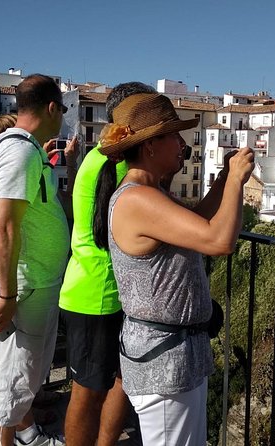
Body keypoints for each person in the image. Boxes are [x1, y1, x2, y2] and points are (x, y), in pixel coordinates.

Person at [93, 93, 254, 445]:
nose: (182, 144)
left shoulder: (150, 193)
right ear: (151, 145)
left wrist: (223, 179)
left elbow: (196, 223)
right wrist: (238, 182)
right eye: (175, 135)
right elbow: (220, 241)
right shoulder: (137, 198)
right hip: (163, 363)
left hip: (174, 356)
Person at [59, 81, 156, 446]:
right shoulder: (116, 165)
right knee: (87, 393)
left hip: (103, 293)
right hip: (96, 297)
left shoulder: (99, 157)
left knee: (120, 380)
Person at [0, 74, 70, 446]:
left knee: (17, 377)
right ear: (51, 108)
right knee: (13, 383)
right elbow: (4, 228)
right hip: (25, 285)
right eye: (62, 109)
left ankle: (23, 438)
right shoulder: (19, 153)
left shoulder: (24, 151)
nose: (62, 116)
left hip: (28, 283)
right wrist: (8, 294)